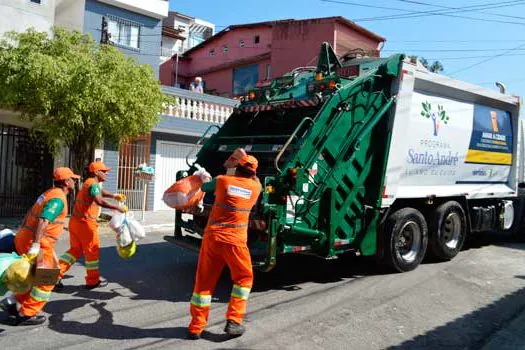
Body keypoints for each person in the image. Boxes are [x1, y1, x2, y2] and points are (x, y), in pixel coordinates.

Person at [188, 154, 262, 339]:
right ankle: (234, 321)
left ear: (237, 168)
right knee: (243, 279)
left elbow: (203, 186)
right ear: (253, 172)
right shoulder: (256, 187)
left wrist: (231, 163)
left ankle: (196, 327)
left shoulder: (222, 181)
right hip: (235, 241)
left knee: (204, 282)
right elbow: (255, 178)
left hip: (213, 238)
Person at [0, 167, 80, 326]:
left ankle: (11, 301)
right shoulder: (58, 198)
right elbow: (44, 220)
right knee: (47, 279)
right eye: (73, 179)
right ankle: (26, 314)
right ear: (66, 182)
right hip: (39, 243)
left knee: (32, 275)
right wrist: (36, 245)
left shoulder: (48, 193)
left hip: (27, 238)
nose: (75, 181)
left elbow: (30, 213)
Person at [56, 161, 127, 290]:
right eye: (104, 171)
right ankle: (92, 281)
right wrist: (117, 207)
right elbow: (99, 200)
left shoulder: (90, 183)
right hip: (86, 224)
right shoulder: (93, 184)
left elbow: (99, 192)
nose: (106, 173)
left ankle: (56, 275)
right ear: (96, 172)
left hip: (76, 222)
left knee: (75, 251)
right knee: (92, 251)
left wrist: (114, 195)